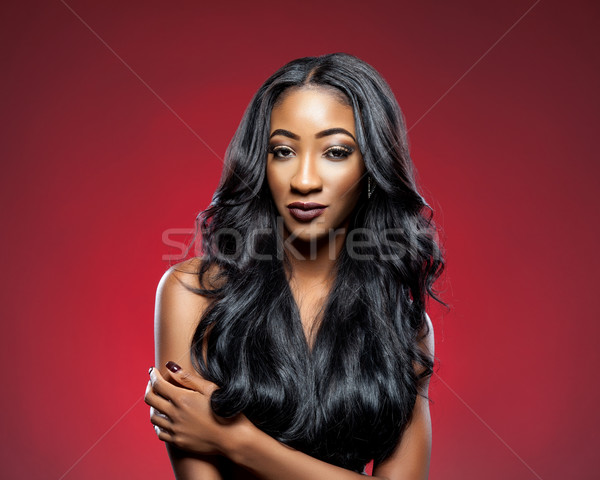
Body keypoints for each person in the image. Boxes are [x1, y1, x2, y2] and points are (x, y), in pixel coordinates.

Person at [144, 52, 446, 480]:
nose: (304, 179)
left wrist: (237, 440)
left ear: (371, 168)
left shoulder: (405, 325)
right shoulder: (193, 294)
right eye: (283, 150)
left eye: (336, 152)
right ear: (261, 164)